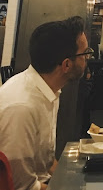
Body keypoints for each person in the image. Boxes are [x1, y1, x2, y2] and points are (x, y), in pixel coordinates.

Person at [0, 17, 92, 190]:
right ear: (66, 65)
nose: (88, 58)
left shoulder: (48, 90)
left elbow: (46, 163)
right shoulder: (22, 107)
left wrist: (73, 181)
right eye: (85, 53)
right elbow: (21, 187)